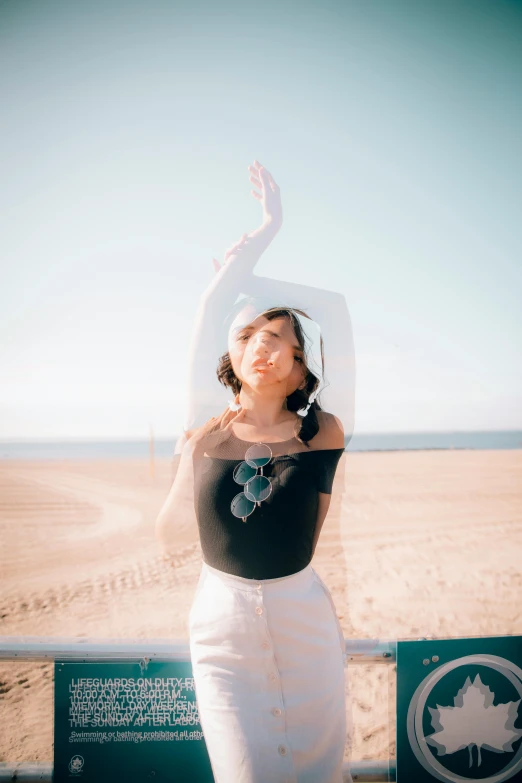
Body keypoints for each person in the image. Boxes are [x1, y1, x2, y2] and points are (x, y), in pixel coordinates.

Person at [156, 162, 355, 783]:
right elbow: (168, 538)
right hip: (221, 625)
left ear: (302, 368)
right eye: (250, 337)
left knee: (319, 772)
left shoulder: (321, 433)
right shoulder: (204, 432)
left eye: (281, 340)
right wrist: (266, 231)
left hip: (306, 617)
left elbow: (316, 528)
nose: (263, 347)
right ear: (232, 355)